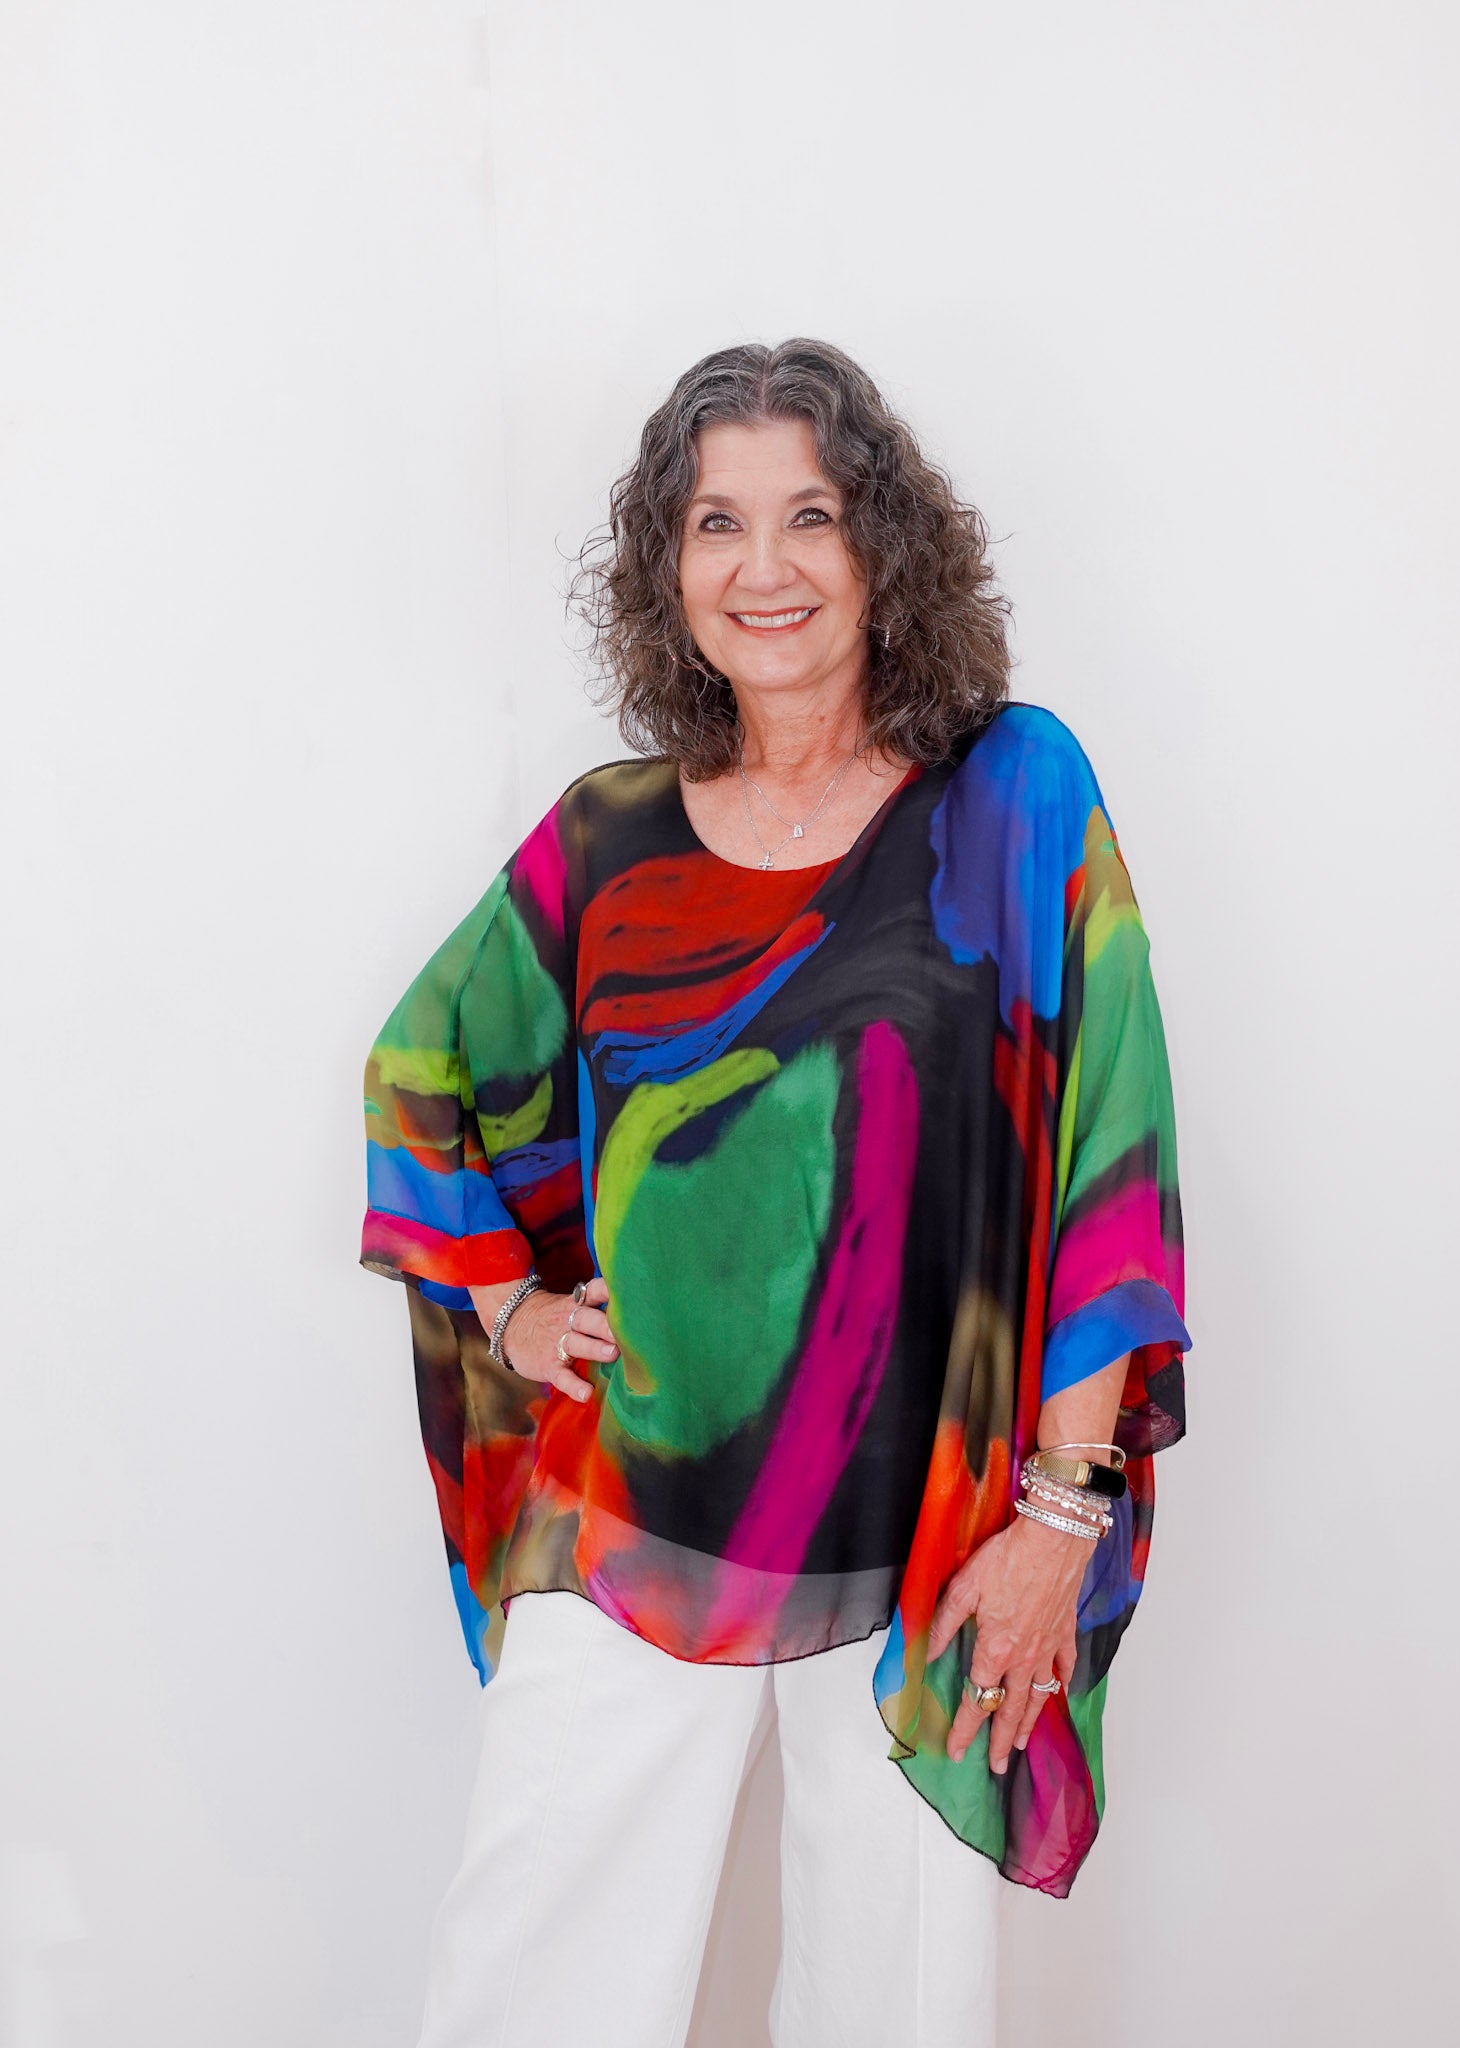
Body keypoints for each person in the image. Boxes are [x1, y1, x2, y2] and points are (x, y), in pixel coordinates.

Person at [360, 337, 1191, 2048]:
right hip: (638, 1514)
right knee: (532, 1986)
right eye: (716, 525)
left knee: (897, 2008)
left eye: (809, 516)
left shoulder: (1015, 804)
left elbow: (1114, 1165)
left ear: (882, 546)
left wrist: (1060, 1514)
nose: (766, 568)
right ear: (669, 573)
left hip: (940, 1532)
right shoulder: (606, 837)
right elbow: (420, 1071)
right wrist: (511, 1304)